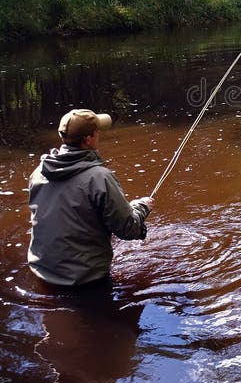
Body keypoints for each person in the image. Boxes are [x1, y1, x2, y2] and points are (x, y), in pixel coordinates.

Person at [28, 108, 154, 287]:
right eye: (97, 132)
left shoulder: (38, 172)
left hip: (40, 273)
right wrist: (142, 206)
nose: (99, 134)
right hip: (84, 281)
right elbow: (128, 229)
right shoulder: (99, 177)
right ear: (88, 139)